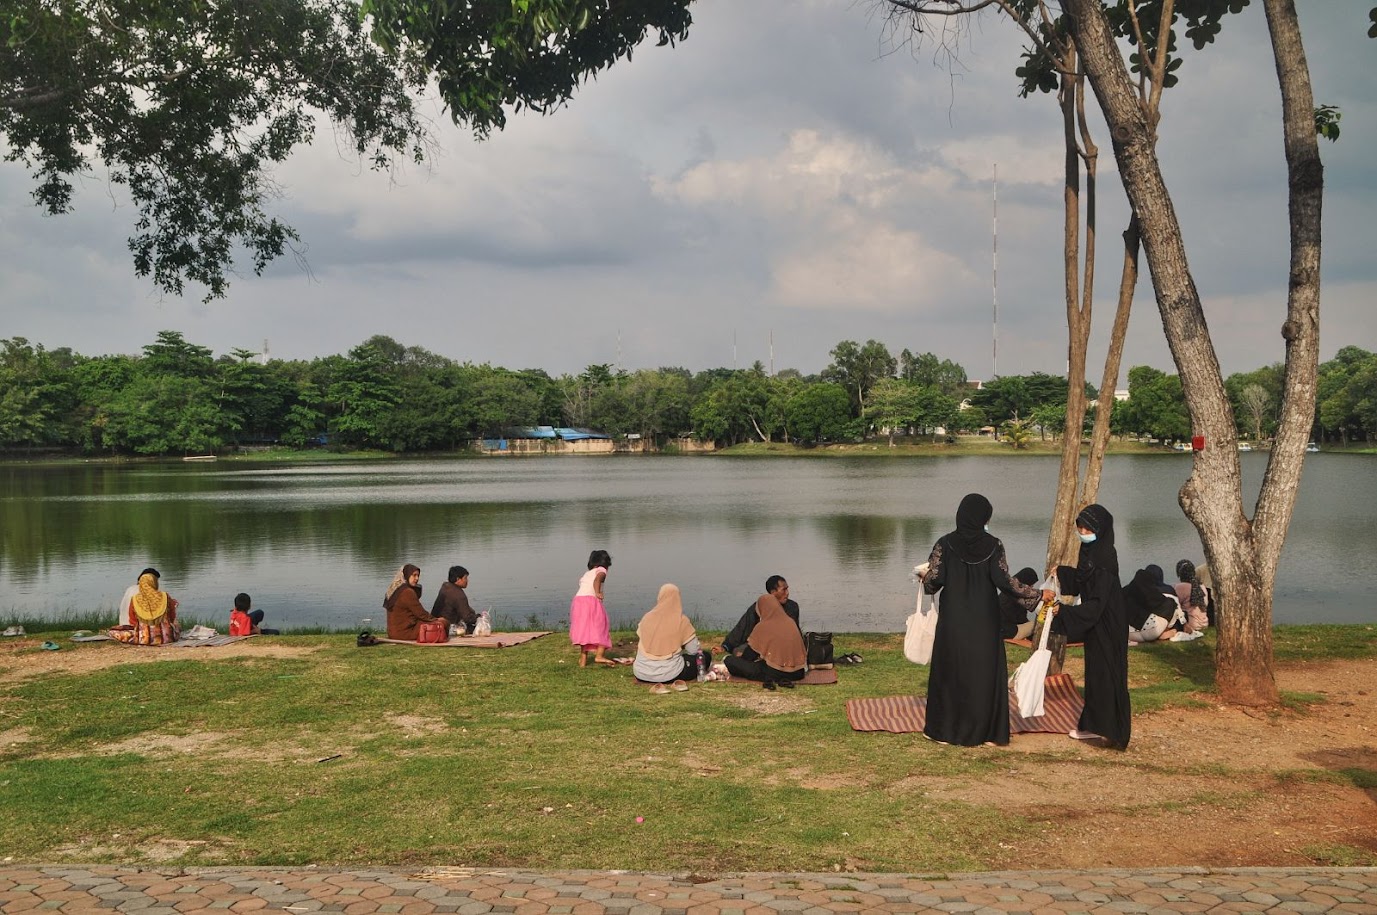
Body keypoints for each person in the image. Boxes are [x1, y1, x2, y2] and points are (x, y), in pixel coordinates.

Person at [919, 494, 1050, 747]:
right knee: (984, 672)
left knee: (951, 670)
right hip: (984, 619)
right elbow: (1004, 582)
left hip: (954, 619)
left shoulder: (944, 544)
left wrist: (924, 576)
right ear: (983, 518)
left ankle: (943, 731)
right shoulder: (994, 545)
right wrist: (1037, 595)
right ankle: (988, 733)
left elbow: (934, 582)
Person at [1052, 504, 1132, 750]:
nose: (1083, 531)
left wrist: (1064, 612)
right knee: (1096, 674)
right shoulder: (1089, 550)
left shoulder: (1105, 557)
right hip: (1097, 621)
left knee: (1108, 674)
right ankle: (1094, 725)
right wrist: (1063, 574)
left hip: (1108, 622)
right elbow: (1082, 581)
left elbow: (1097, 601)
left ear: (1101, 529)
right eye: (1080, 526)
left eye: (1088, 528)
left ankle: (1113, 732)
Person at [633, 583, 711, 689]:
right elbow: (693, 651)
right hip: (670, 674)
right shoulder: (681, 620)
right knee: (705, 656)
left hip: (641, 672)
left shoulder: (647, 618)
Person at [722, 591, 807, 687]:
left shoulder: (763, 626)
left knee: (730, 661)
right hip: (798, 673)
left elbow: (749, 657)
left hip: (774, 673)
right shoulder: (791, 622)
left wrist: (741, 658)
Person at [721, 575, 800, 655]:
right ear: (773, 592)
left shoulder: (792, 607)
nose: (787, 593)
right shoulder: (758, 607)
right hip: (762, 646)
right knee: (738, 652)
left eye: (787, 589)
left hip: (785, 647)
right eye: (784, 590)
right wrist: (725, 646)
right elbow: (742, 627)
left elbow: (794, 632)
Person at [569, 550, 615, 667]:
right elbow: (597, 580)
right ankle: (599, 656)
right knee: (602, 626)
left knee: (584, 630)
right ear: (605, 563)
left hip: (578, 601)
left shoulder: (587, 573)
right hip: (590, 601)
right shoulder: (602, 570)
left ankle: (583, 660)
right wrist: (598, 592)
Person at [1122, 566, 1185, 643]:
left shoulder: (1134, 591)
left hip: (1132, 628)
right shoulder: (1168, 590)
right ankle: (1168, 631)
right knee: (1171, 606)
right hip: (1158, 626)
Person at [384, 564, 440, 640]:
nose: (417, 578)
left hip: (393, 633)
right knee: (443, 623)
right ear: (407, 575)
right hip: (404, 633)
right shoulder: (407, 592)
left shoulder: (397, 589)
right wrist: (436, 620)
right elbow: (421, 614)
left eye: (418, 576)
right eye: (414, 575)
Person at [127, 569, 180, 645]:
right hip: (167, 638)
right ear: (154, 582)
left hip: (143, 640)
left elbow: (132, 621)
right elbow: (172, 616)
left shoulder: (135, 599)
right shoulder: (165, 596)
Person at [999, 567, 1042, 641]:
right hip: (1009, 632)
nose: (1032, 587)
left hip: (998, 630)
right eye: (1031, 585)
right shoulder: (1020, 595)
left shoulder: (1005, 592)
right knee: (1036, 624)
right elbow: (1020, 619)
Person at [432, 566, 478, 634]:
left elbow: (463, 608)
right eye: (465, 578)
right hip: (448, 628)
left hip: (435, 624)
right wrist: (478, 618)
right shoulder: (459, 595)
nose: (467, 581)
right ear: (458, 579)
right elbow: (467, 618)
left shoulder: (445, 587)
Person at [1174, 559, 1211, 633]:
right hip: (1204, 623)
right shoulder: (1202, 586)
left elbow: (1174, 605)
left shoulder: (1180, 587)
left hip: (1190, 625)